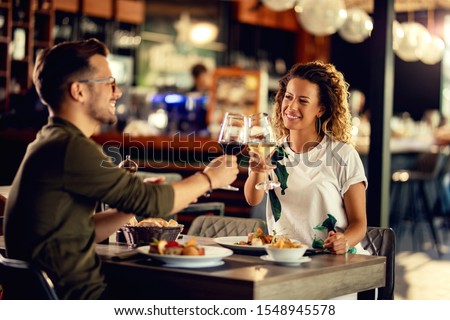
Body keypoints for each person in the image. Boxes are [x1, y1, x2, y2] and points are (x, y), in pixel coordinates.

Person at [3, 38, 238, 299]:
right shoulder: (71, 147)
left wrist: (128, 209)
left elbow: (80, 233)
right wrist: (209, 178)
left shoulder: (51, 140)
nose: (118, 92)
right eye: (108, 83)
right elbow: (153, 203)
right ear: (79, 91)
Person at [244, 61, 368, 257]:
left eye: (303, 101)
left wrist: (344, 240)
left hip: (335, 261)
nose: (291, 106)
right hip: (285, 258)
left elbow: (359, 224)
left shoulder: (343, 155)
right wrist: (257, 173)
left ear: (320, 109)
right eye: (289, 97)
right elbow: (253, 199)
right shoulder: (271, 151)